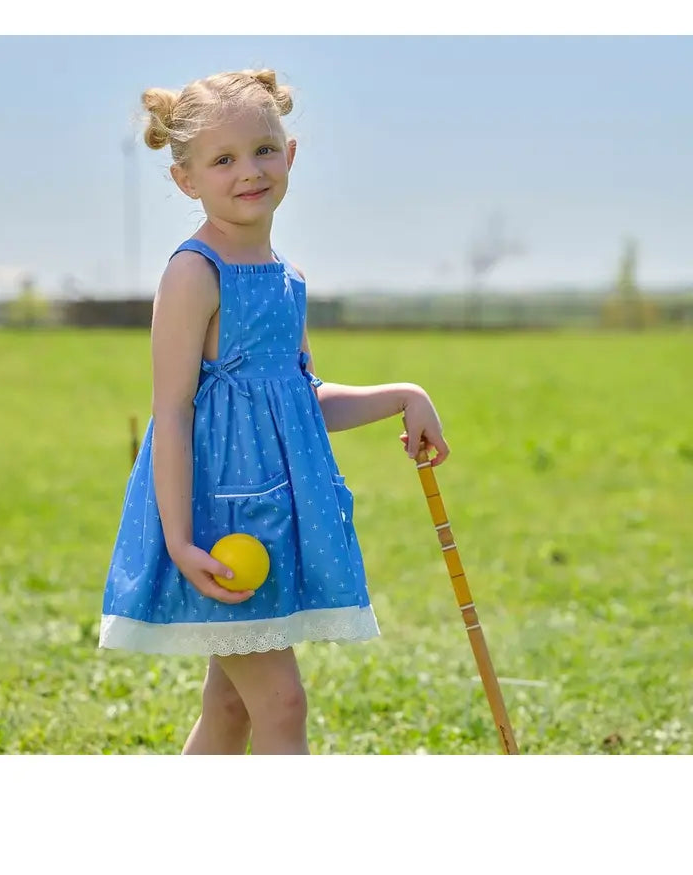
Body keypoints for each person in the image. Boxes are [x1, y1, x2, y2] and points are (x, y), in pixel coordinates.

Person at [98, 68, 449, 755]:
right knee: (281, 704)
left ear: (289, 155)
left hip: (274, 521)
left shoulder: (289, 280)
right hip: (217, 528)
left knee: (232, 708)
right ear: (186, 180)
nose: (248, 171)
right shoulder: (194, 273)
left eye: (262, 149)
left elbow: (302, 402)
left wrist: (404, 396)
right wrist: (178, 542)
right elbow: (169, 414)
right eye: (222, 159)